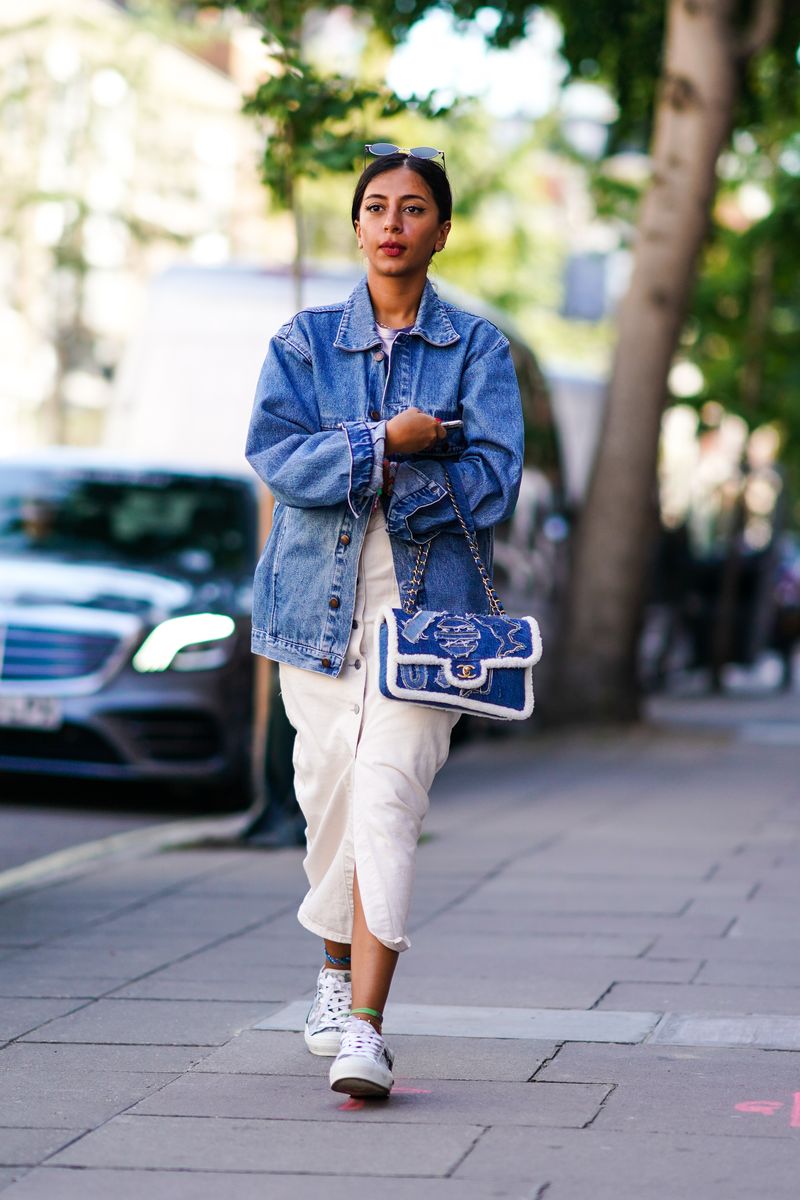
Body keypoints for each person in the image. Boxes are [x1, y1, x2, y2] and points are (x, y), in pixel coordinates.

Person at [245, 145, 524, 1098]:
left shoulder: (478, 351)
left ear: (441, 232)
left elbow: (494, 484)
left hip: (428, 617)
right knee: (327, 792)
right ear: (357, 226)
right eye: (376, 207)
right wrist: (382, 441)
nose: (393, 223)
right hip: (310, 615)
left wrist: (389, 475)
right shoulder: (304, 344)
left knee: (388, 793)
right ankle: (331, 973)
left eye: (413, 209)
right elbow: (277, 457)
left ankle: (366, 1027)